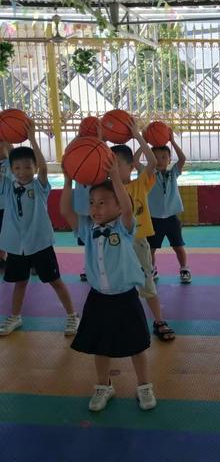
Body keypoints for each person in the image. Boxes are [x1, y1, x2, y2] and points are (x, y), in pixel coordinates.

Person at [60, 157, 157, 412]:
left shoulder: (124, 227)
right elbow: (65, 212)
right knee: (99, 346)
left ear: (116, 206)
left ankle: (144, 386)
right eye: (92, 203)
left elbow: (127, 207)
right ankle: (104, 386)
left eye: (103, 203)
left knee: (137, 346)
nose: (96, 208)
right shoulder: (87, 229)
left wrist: (115, 176)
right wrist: (68, 179)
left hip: (126, 297)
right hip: (98, 297)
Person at [0, 121, 78, 336]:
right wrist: (6, 139)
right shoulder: (7, 185)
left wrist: (32, 137)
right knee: (20, 282)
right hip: (17, 245)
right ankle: (15, 316)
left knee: (55, 281)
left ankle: (72, 316)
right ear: (11, 170)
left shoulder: (39, 186)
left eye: (27, 167)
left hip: (39, 243)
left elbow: (44, 167)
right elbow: (6, 161)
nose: (22, 172)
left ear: (34, 168)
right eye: (17, 168)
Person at [111, 122, 175, 341]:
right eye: (109, 164)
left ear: (130, 167)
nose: (112, 169)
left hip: (138, 242)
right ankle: (120, 323)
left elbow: (153, 161)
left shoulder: (140, 185)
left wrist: (139, 137)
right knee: (118, 287)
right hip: (116, 244)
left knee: (147, 284)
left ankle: (159, 320)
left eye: (117, 164)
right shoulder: (107, 190)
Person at [137, 131, 191, 284]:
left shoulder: (173, 173)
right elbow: (135, 161)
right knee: (151, 248)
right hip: (153, 219)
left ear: (169, 160)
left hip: (172, 219)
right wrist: (145, 143)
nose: (159, 161)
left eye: (163, 158)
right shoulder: (147, 174)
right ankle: (152, 269)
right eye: (155, 158)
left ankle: (184, 268)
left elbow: (182, 158)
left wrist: (172, 141)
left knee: (178, 246)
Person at [0, 139, 13, 271]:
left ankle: (29, 261)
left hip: (9, 207)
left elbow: (12, 152)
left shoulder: (10, 163)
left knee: (12, 234)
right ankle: (1, 259)